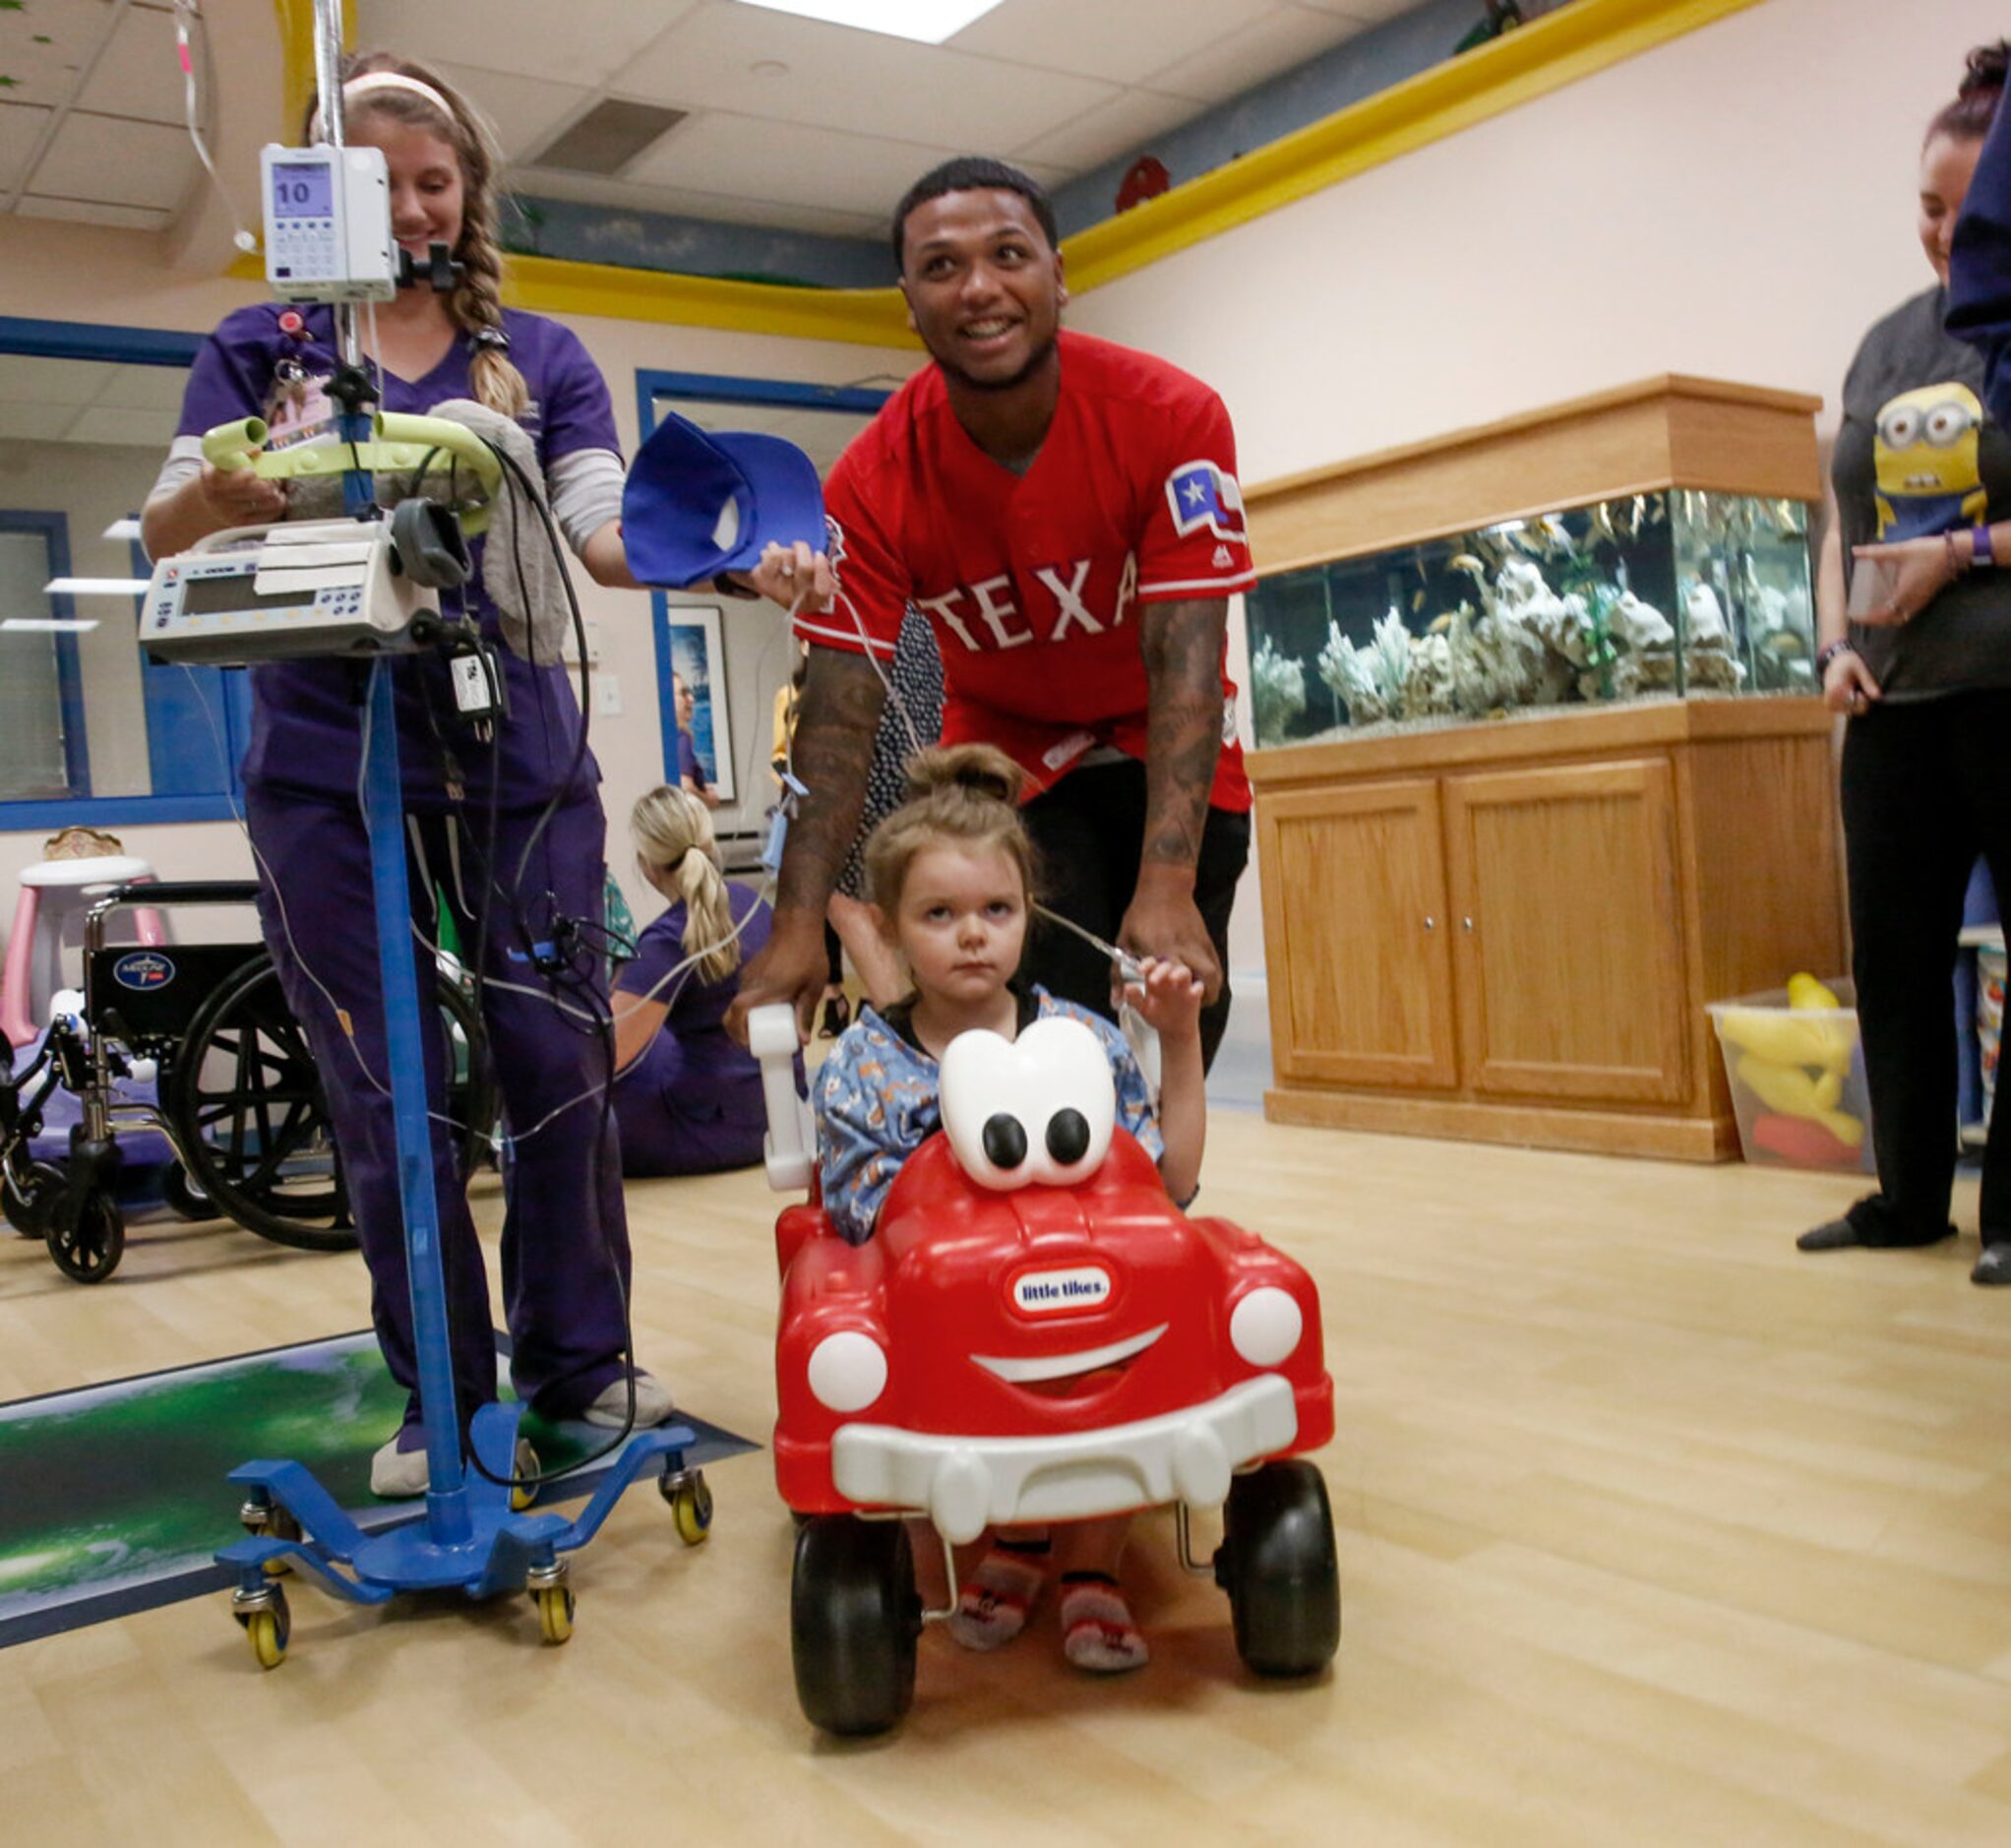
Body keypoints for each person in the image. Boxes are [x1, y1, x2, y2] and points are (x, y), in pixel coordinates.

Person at [142, 51, 672, 1495]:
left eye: (437, 183)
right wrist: (227, 490)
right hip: (328, 760)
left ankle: (579, 1365)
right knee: (385, 1087)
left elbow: (604, 528)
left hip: (515, 754)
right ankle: (440, 1388)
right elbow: (166, 528)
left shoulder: (539, 360)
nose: (415, 210)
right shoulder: (264, 349)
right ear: (323, 195)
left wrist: (722, 550)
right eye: (380, 184)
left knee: (556, 1058)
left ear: (469, 194)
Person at [729, 156, 1253, 1072]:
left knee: (1172, 1027)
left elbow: (1187, 658)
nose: (979, 289)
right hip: (1012, 760)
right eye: (941, 267)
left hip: (1163, 737)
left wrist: (1167, 883)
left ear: (1057, 273)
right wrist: (798, 923)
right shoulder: (873, 478)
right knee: (1035, 1029)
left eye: (1008, 255)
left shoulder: (1173, 416)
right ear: (908, 299)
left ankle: (1155, 1207)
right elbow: (840, 716)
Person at [815, 744, 1205, 1672]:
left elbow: (1171, 1183)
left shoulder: (1081, 1040)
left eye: (997, 910)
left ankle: (1089, 1560)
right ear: (890, 928)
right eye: (939, 915)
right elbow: (863, 1230)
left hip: (1087, 1301)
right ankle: (1017, 1539)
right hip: (961, 1325)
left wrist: (1179, 1039)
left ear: (1029, 913)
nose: (973, 935)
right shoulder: (864, 1067)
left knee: (1149, 1304)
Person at [1797, 41, 2011, 1287]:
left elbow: (1945, 540)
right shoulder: (1885, 342)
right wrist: (1833, 643)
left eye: (1968, 209)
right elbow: (1840, 517)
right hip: (1890, 705)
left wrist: (1966, 555)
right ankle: (1907, 1198)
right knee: (1891, 956)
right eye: (1929, 207)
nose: (1942, 234)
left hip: (2003, 692)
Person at [611, 785, 770, 1175]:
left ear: (646, 862)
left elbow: (605, 1058)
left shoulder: (665, 940)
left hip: (713, 1130)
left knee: (574, 1100)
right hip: (774, 1116)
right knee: (661, 1040)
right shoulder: (753, 904)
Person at [672, 672, 720, 808]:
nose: (691, 699)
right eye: (683, 693)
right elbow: (685, 787)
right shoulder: (681, 738)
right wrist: (709, 798)